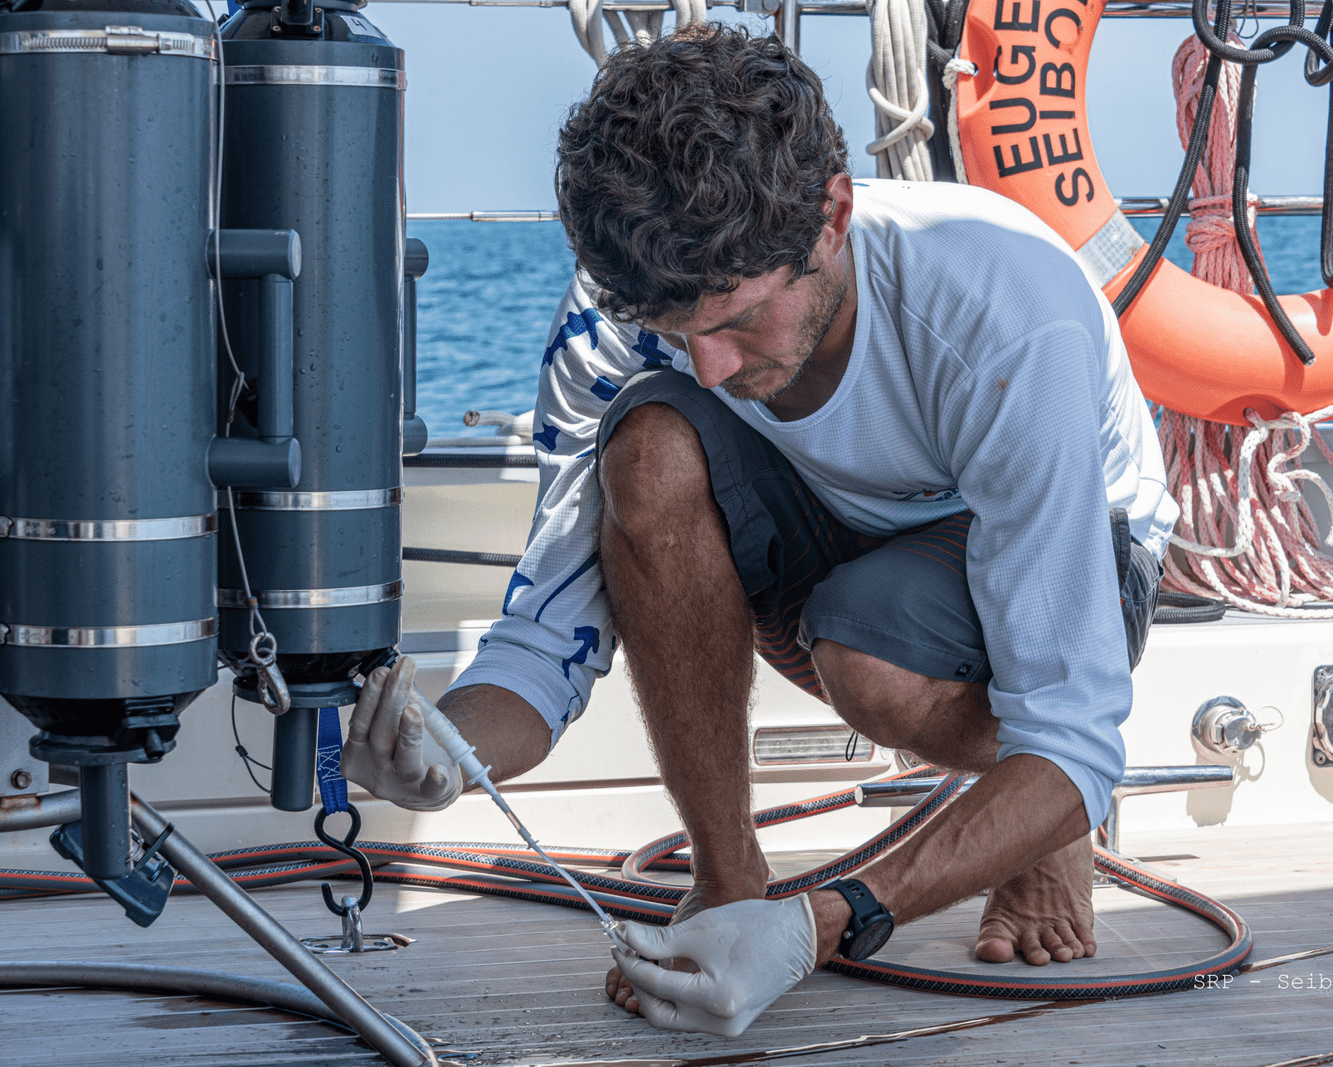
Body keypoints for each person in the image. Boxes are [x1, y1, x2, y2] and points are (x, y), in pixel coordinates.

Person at [342, 25, 1176, 1037]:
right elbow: (544, 639)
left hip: (1077, 540)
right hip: (846, 525)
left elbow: (1077, 729)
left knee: (873, 659)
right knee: (648, 445)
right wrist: (444, 749)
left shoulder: (1000, 308)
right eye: (675, 331)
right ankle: (727, 876)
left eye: (737, 318)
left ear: (832, 217)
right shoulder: (617, 312)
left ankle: (1044, 828)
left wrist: (820, 925)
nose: (710, 368)